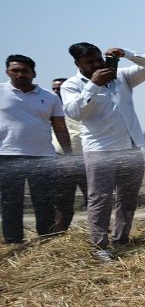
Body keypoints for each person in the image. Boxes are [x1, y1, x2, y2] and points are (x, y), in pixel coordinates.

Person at [60, 44, 145, 261]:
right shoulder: (71, 85)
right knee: (100, 199)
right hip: (100, 151)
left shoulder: (122, 76)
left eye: (99, 59)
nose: (98, 65)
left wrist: (127, 54)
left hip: (131, 148)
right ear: (78, 64)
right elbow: (75, 113)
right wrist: (93, 85)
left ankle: (121, 239)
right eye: (90, 62)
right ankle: (99, 246)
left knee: (128, 199)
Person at [1, 56, 73, 243]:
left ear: (33, 73)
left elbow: (60, 127)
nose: (20, 74)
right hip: (7, 156)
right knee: (11, 202)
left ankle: (46, 239)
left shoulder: (49, 97)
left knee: (44, 201)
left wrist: (68, 155)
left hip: (42, 157)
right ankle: (13, 241)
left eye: (24, 71)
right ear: (7, 72)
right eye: (15, 70)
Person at [49, 78, 87, 232]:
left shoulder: (79, 107)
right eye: (54, 89)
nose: (57, 91)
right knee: (63, 200)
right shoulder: (49, 108)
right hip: (60, 159)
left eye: (60, 88)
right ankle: (59, 231)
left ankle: (99, 232)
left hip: (86, 158)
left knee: (94, 198)